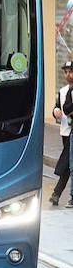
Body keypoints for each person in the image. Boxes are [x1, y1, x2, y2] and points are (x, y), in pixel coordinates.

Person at [53, 60, 73, 207]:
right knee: (68, 164)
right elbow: (57, 107)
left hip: (71, 131)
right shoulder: (63, 91)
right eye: (66, 72)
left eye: (70, 72)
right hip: (65, 131)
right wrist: (55, 111)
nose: (68, 75)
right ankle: (57, 194)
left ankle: (57, 193)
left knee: (66, 162)